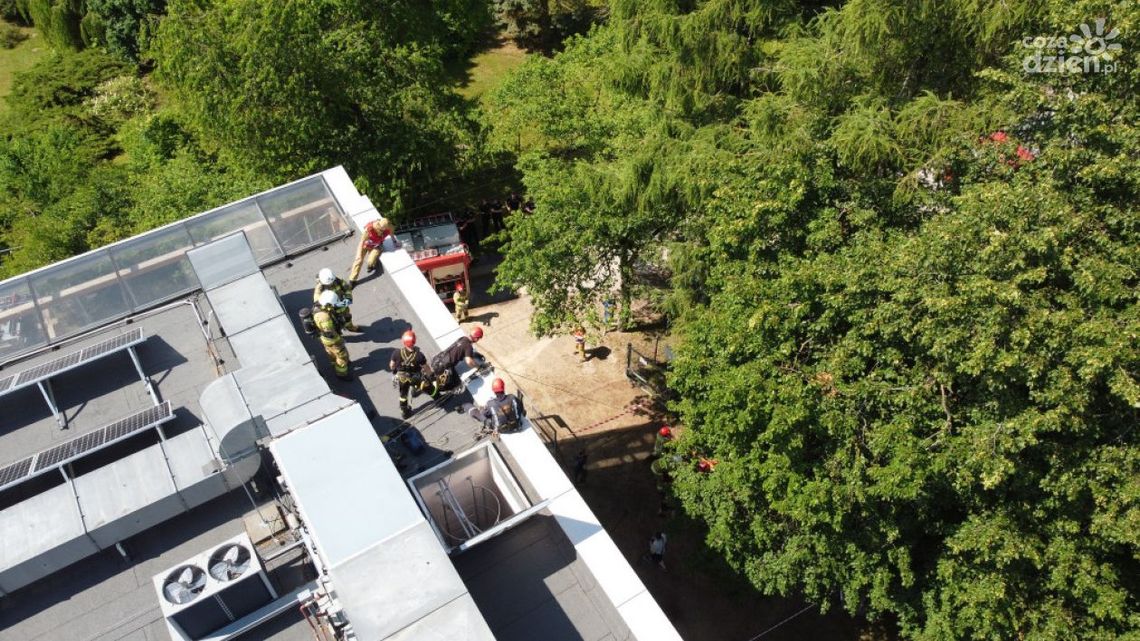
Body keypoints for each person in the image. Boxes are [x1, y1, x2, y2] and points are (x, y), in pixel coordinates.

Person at [389, 330, 435, 418]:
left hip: (402, 378)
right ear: (414, 341)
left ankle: (405, 412)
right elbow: (426, 368)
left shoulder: (396, 353)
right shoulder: (419, 355)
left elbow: (392, 365)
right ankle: (437, 397)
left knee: (403, 395)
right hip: (415, 377)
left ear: (403, 342)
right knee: (428, 386)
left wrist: (395, 371)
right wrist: (431, 376)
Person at [429, 326, 484, 391]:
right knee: (456, 382)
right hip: (443, 367)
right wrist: (478, 367)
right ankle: (446, 389)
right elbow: (469, 361)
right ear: (476, 338)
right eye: (478, 338)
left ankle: (433, 377)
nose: (478, 340)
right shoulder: (468, 347)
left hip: (438, 359)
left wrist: (471, 354)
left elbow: (461, 349)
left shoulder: (463, 338)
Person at [313, 292, 351, 381]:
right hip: (332, 340)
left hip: (324, 339)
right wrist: (340, 340)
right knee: (342, 355)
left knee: (330, 352)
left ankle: (334, 363)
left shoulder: (318, 306)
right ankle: (342, 374)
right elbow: (330, 333)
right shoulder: (325, 318)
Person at [348, 217, 395, 285]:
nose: (383, 230)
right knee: (358, 261)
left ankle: (371, 266)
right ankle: (352, 280)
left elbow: (391, 233)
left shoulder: (388, 229)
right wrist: (359, 255)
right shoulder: (370, 229)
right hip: (365, 245)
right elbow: (362, 242)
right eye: (382, 228)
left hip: (376, 246)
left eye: (385, 229)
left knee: (371, 260)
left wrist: (394, 241)